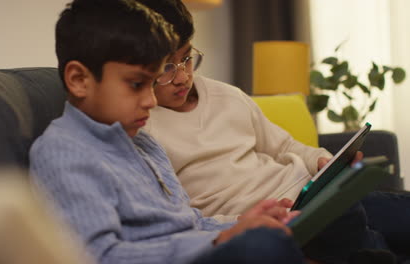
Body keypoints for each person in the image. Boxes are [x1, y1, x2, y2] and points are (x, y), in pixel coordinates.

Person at [29, 0, 308, 263]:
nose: (151, 100)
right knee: (264, 246)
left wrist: (243, 223)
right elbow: (101, 255)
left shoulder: (143, 143)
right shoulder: (64, 153)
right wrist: (218, 241)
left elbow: (190, 222)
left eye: (152, 84)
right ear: (79, 80)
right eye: (137, 84)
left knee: (289, 227)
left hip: (195, 250)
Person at [136, 0, 410, 262]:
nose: (182, 76)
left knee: (381, 211)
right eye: (167, 68)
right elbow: (181, 219)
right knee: (348, 220)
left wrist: (322, 162)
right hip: (271, 221)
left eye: (186, 59)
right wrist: (240, 223)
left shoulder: (226, 94)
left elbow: (285, 147)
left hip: (308, 194)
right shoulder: (142, 125)